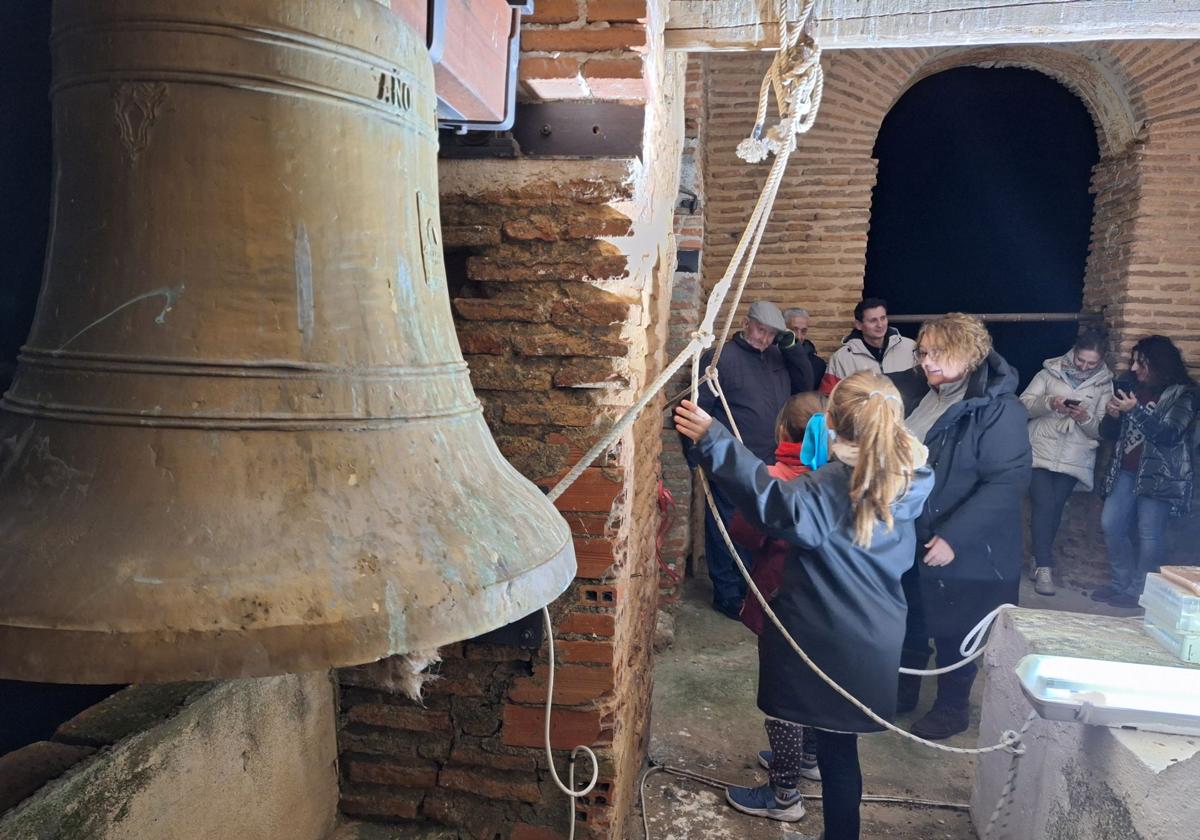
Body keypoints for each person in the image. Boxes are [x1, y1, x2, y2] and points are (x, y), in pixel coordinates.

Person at [676, 372, 934, 840]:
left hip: (831, 631)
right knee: (841, 749)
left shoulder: (836, 484)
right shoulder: (907, 475)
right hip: (875, 632)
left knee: (837, 753)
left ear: (831, 423)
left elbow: (772, 502)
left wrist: (713, 438)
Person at [890, 313, 1031, 740]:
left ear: (969, 355)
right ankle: (902, 691)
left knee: (956, 628)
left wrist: (954, 536)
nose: (927, 361)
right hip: (911, 529)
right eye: (923, 352)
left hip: (964, 542)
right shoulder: (921, 393)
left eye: (938, 353)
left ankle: (952, 710)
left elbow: (1008, 480)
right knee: (910, 615)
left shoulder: (999, 409)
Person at [728, 392, 829, 784]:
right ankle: (808, 757)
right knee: (815, 679)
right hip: (822, 598)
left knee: (781, 687)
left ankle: (784, 789)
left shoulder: (777, 479)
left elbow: (745, 531)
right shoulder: (836, 475)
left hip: (781, 595)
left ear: (783, 430)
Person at [696, 300, 814, 619]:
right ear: (747, 323)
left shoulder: (777, 356)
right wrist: (699, 456)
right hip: (731, 460)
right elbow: (700, 406)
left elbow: (805, 385)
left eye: (771, 334)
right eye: (761, 330)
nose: (764, 338)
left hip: (769, 460)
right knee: (726, 527)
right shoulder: (722, 358)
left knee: (759, 527)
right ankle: (727, 594)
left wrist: (790, 347)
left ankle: (751, 590)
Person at [1093, 335, 1197, 608]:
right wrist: (1113, 416)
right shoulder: (1132, 387)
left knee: (1150, 535)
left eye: (1141, 363)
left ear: (1159, 364)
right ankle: (1119, 584)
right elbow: (1109, 434)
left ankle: (1140, 593)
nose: (1135, 368)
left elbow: (1169, 435)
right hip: (1125, 470)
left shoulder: (1183, 393)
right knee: (1111, 524)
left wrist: (1135, 411)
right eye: (1134, 362)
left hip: (1160, 475)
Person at [1019, 329, 1113, 596]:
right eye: (1080, 359)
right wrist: (1050, 402)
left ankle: (1039, 559)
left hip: (1075, 454)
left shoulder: (1104, 386)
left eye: (1091, 363)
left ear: (1102, 360)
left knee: (1055, 506)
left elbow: (1101, 430)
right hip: (1040, 448)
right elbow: (1023, 405)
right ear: (1073, 351)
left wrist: (1083, 417)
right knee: (1044, 503)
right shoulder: (1048, 373)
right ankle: (1045, 568)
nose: (1083, 366)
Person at [822, 297, 916, 393]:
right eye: (873, 320)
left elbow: (925, 385)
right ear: (858, 325)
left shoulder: (910, 348)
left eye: (883, 318)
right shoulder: (841, 358)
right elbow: (829, 397)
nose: (880, 325)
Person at [784, 307, 827, 387]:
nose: (799, 336)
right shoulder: (772, 358)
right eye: (794, 330)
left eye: (803, 331)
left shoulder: (818, 365)